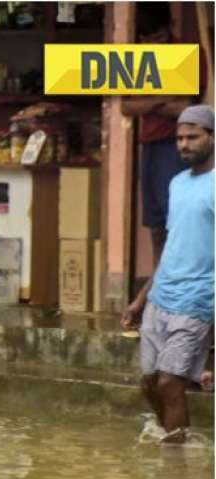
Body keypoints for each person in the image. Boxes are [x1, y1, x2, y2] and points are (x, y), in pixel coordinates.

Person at [122, 104, 214, 444]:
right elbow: (170, 248)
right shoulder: (177, 184)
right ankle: (174, 442)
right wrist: (139, 301)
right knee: (149, 384)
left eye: (193, 137)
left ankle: (175, 472)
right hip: (161, 299)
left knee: (170, 383)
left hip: (197, 301)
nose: (184, 145)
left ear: (212, 137)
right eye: (179, 138)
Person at [120, 4, 206, 321]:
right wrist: (160, 98)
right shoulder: (136, 58)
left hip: (175, 147)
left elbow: (186, 107)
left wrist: (149, 102)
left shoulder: (186, 53)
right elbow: (126, 108)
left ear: (169, 27)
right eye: (146, 38)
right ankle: (158, 296)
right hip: (150, 147)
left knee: (177, 226)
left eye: (157, 36)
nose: (153, 43)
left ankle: (166, 299)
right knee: (156, 226)